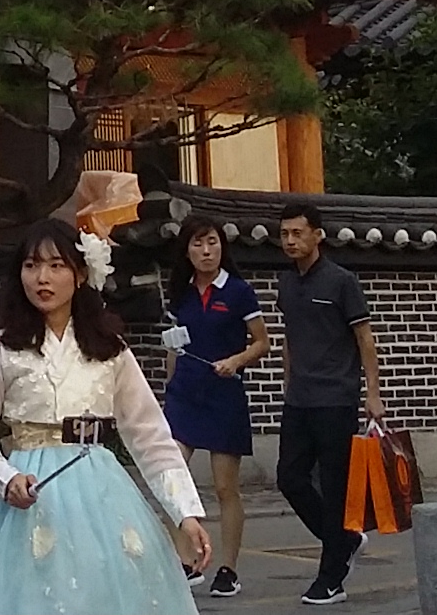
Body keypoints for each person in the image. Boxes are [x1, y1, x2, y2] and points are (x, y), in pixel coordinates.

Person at [0, 219, 210, 615]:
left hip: (102, 491)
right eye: (32, 265)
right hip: (29, 495)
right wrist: (7, 479)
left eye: (56, 266)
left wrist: (185, 513)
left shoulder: (109, 349)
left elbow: (150, 435)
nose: (42, 278)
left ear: (81, 274)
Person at [271, 203, 380, 606]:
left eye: (298, 233)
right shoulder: (286, 283)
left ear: (318, 235)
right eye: (285, 234)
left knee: (335, 489)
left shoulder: (341, 282)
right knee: (290, 477)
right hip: (299, 399)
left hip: (336, 398)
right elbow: (289, 336)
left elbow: (364, 339)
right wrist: (288, 380)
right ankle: (344, 540)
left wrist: (373, 393)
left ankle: (331, 579)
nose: (290, 241)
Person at [163, 215, 270, 599]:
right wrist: (169, 388)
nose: (206, 251)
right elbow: (175, 345)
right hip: (184, 395)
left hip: (224, 395)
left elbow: (262, 343)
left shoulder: (239, 292)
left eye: (212, 243)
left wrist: (236, 361)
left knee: (225, 487)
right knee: (172, 476)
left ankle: (228, 568)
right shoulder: (181, 294)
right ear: (186, 251)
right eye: (198, 244)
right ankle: (184, 561)